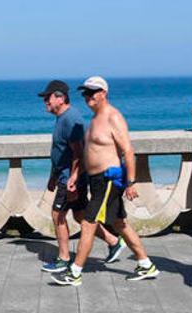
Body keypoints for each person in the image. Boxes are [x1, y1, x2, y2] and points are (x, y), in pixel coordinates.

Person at [51, 76, 158, 286]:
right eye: (85, 93)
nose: (87, 97)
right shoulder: (94, 120)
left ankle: (75, 272)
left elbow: (128, 150)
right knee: (120, 223)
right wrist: (75, 175)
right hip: (95, 180)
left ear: (104, 93)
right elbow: (88, 153)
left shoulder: (113, 117)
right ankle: (146, 264)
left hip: (108, 179)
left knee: (89, 223)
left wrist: (131, 182)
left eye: (92, 92)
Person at [37, 80, 126, 273]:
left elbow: (78, 153)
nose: (45, 101)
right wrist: (53, 176)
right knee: (80, 214)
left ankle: (64, 258)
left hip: (70, 178)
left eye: (48, 98)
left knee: (57, 214)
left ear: (60, 98)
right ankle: (113, 241)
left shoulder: (71, 119)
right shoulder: (63, 117)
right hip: (64, 175)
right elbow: (61, 151)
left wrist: (73, 178)